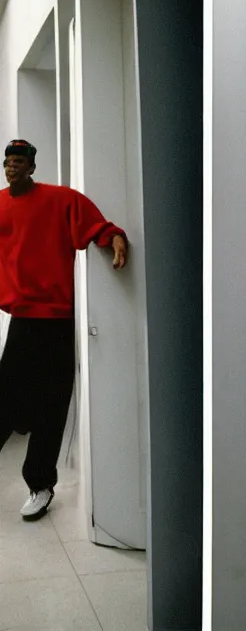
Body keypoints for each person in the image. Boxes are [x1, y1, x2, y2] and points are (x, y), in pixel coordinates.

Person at [0, 139, 128, 521]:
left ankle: (40, 485)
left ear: (32, 167)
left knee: (52, 406)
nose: (12, 168)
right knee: (6, 398)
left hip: (58, 320)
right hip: (23, 318)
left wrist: (115, 239)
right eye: (8, 162)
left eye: (19, 162)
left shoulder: (61, 200)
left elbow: (98, 227)